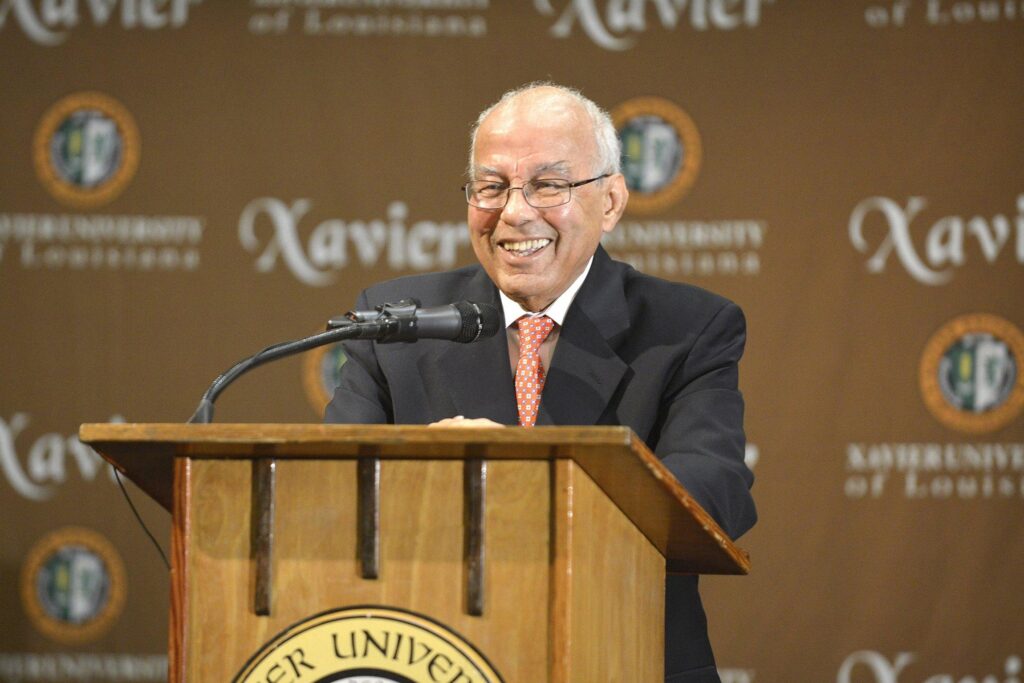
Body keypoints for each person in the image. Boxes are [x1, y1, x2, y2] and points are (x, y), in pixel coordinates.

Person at [325, 82, 757, 682]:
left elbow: (715, 491)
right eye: (492, 186)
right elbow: (330, 489)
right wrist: (423, 474)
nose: (515, 212)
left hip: (621, 653)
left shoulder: (688, 328)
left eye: (548, 185)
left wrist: (516, 480)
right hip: (437, 652)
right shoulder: (399, 321)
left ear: (610, 201)